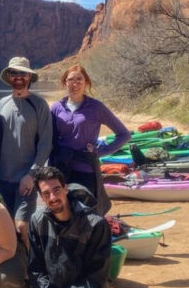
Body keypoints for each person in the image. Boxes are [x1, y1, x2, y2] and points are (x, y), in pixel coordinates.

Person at [15, 166, 111, 288]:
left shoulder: (95, 224)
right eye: (46, 193)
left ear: (66, 188)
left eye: (56, 190)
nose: (53, 197)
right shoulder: (37, 221)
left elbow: (96, 276)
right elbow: (36, 270)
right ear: (41, 197)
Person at [50, 64, 130, 215]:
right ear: (65, 82)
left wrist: (99, 152)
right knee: (62, 212)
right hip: (61, 168)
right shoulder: (57, 108)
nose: (75, 83)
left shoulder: (96, 107)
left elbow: (124, 134)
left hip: (85, 169)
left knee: (86, 213)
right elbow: (50, 139)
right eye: (71, 80)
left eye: (79, 79)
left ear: (86, 82)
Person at [0, 57, 53, 249]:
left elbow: (46, 144)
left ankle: (33, 272)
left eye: (22, 73)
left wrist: (32, 174)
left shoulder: (39, 104)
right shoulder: (2, 103)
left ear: (29, 77)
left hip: (26, 180)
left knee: (22, 226)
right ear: (9, 77)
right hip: (1, 179)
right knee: (4, 228)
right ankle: (12, 270)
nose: (18, 77)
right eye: (14, 73)